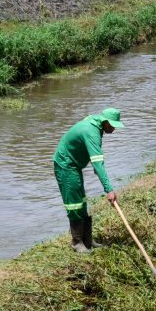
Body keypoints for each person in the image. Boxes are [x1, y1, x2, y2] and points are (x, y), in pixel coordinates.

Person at [54, 108, 124, 253]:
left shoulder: (95, 123)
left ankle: (87, 240)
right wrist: (109, 190)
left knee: (82, 201)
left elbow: (94, 155)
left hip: (75, 166)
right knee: (74, 204)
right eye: (112, 125)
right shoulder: (91, 131)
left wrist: (96, 166)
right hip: (66, 165)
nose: (114, 129)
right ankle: (77, 242)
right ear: (105, 121)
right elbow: (98, 163)